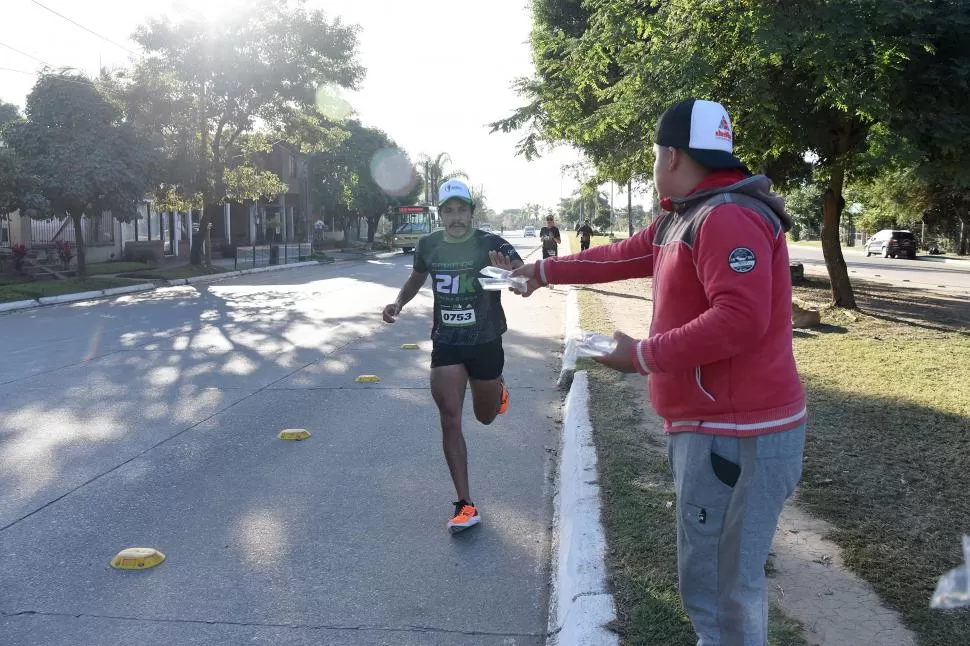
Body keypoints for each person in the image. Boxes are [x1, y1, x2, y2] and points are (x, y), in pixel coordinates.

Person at [511, 98, 807, 645]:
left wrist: (643, 356)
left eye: (654, 155)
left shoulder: (726, 217)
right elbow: (623, 255)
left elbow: (739, 320)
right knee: (717, 584)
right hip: (717, 431)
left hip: (736, 436)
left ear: (671, 154)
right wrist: (544, 270)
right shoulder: (687, 215)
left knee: (722, 595)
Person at [382, 179, 523, 534]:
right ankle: (465, 503)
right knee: (449, 418)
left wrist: (513, 278)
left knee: (486, 416)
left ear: (472, 213)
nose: (456, 217)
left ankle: (497, 390)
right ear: (440, 214)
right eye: (449, 211)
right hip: (447, 343)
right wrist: (398, 302)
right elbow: (417, 278)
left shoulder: (491, 243)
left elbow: (524, 280)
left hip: (486, 341)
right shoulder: (428, 245)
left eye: (462, 210)